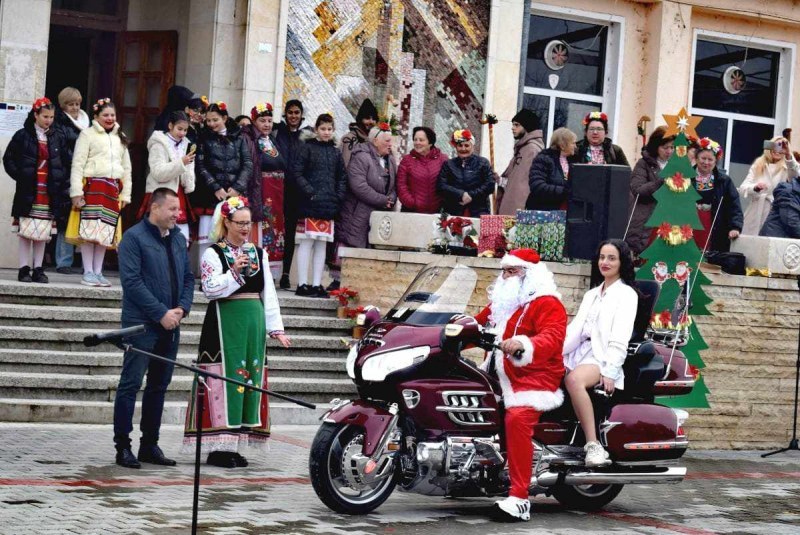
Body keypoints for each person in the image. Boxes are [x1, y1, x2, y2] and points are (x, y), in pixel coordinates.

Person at [183, 197, 290, 468]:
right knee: (226, 377)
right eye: (240, 223)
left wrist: (275, 327)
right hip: (224, 324)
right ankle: (218, 446)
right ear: (226, 223)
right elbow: (209, 289)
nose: (245, 228)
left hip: (252, 322)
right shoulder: (213, 253)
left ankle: (236, 442)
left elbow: (268, 292)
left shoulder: (259, 253)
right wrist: (234, 274)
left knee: (249, 377)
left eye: (248, 223)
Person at [473, 248, 567, 522]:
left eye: (512, 271)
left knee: (517, 418)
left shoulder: (547, 303)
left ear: (529, 274)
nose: (505, 277)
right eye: (504, 271)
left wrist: (524, 344)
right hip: (498, 375)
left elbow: (552, 337)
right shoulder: (504, 303)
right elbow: (476, 324)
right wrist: (445, 328)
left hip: (534, 377)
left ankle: (519, 498)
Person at [114, 188, 195, 468]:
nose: (177, 214)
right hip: (140, 325)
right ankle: (123, 446)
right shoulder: (133, 239)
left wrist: (181, 309)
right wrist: (160, 313)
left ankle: (150, 444)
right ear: (155, 208)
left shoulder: (178, 238)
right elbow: (132, 283)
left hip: (171, 323)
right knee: (130, 384)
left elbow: (187, 277)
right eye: (172, 209)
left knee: (159, 385)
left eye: (178, 209)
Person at [562, 239, 638, 468]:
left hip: (601, 356)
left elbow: (620, 337)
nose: (604, 262)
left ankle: (594, 445)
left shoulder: (626, 294)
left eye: (611, 258)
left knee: (574, 380)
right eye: (602, 257)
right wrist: (549, 351)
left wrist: (610, 371)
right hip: (578, 352)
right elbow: (575, 329)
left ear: (622, 262)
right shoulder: (592, 294)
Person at [3, 97, 70, 283]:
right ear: (36, 115)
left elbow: (66, 161)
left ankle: (38, 268)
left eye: (51, 117)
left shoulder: (58, 136)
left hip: (49, 191)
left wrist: (59, 179)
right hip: (29, 190)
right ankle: (24, 268)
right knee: (25, 231)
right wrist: (21, 176)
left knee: (43, 232)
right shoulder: (22, 135)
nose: (49, 120)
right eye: (45, 116)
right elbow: (8, 159)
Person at [69, 98, 132, 287]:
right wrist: (76, 192)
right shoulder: (87, 135)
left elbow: (126, 168)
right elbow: (78, 163)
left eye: (112, 115)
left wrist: (126, 194)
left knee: (105, 232)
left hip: (112, 188)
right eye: (105, 115)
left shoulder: (120, 137)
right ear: (96, 116)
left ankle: (98, 271)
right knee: (90, 230)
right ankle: (87, 271)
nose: (110, 118)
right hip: (93, 186)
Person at [291, 114, 348, 297]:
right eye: (323, 129)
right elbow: (297, 173)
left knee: (322, 244)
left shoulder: (335, 152)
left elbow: (342, 177)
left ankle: (316, 284)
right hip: (310, 203)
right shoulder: (307, 148)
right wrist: (310, 192)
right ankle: (302, 284)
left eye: (329, 129)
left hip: (328, 205)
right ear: (316, 129)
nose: (326, 132)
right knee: (306, 242)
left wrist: (337, 196)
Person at [192, 101, 253, 252]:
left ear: (224, 118)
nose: (211, 124)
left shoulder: (239, 137)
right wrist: (215, 187)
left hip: (234, 195)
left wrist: (238, 187)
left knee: (233, 237)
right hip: (210, 195)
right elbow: (200, 165)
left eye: (215, 120)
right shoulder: (203, 138)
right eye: (208, 120)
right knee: (208, 239)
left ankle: (232, 273)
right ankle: (207, 271)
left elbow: (247, 164)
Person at [242, 102, 288, 280]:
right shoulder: (250, 140)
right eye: (263, 120)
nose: (267, 124)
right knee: (260, 227)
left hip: (276, 193)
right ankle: (254, 269)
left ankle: (268, 272)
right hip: (261, 190)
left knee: (274, 228)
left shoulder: (272, 140)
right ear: (254, 121)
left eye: (270, 120)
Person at [139, 111, 196, 244]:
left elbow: (187, 171)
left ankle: (176, 264)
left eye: (185, 130)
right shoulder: (159, 144)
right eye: (179, 129)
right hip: (162, 192)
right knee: (159, 235)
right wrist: (181, 163)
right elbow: (158, 172)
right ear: (170, 125)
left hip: (179, 193)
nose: (182, 133)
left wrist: (188, 179)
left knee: (181, 238)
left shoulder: (186, 144)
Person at [337, 123, 397, 249]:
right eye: (387, 141)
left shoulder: (390, 160)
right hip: (358, 215)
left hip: (380, 215)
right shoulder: (360, 156)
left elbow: (393, 185)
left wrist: (391, 198)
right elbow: (359, 186)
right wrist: (383, 200)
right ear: (375, 141)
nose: (390, 144)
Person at [274, 99, 313, 290]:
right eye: (290, 112)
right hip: (275, 188)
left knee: (289, 234)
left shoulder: (307, 135)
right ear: (285, 113)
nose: (293, 116)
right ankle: (269, 272)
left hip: (295, 191)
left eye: (297, 113)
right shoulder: (276, 132)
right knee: (272, 231)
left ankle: (286, 273)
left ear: (301, 114)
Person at [53, 86, 90, 274]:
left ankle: (87, 264)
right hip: (66, 176)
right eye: (70, 104)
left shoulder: (87, 121)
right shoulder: (59, 124)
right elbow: (60, 150)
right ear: (63, 106)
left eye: (77, 104)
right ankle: (64, 261)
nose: (75, 108)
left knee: (83, 219)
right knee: (65, 220)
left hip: (84, 176)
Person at [626, 126, 675, 256]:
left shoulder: (677, 165)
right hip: (646, 220)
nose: (669, 151)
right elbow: (637, 189)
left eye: (672, 147)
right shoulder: (643, 164)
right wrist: (661, 181)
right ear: (656, 146)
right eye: (665, 147)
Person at [738, 136, 798, 235]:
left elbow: (796, 176)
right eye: (775, 146)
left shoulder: (788, 166)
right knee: (748, 244)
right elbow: (742, 188)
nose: (777, 150)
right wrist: (755, 188)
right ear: (769, 147)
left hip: (775, 215)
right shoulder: (758, 165)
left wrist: (788, 154)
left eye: (781, 147)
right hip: (755, 212)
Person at [692, 138, 743, 252]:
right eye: (703, 158)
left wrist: (735, 227)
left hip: (713, 225)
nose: (706, 162)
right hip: (690, 223)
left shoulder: (724, 181)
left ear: (716, 161)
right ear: (696, 158)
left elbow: (734, 204)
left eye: (710, 159)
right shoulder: (686, 177)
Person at [437, 129, 494, 216]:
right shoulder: (448, 164)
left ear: (472, 146)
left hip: (479, 211)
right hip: (453, 210)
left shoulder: (483, 162)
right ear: (456, 147)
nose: (463, 149)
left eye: (467, 145)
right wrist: (461, 194)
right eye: (460, 145)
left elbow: (490, 185)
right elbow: (441, 186)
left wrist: (471, 195)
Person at [497, 109, 544, 216]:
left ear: (526, 126)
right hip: (513, 206)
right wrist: (499, 179)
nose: (512, 128)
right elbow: (514, 180)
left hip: (519, 210)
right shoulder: (523, 148)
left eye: (517, 125)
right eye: (513, 124)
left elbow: (524, 185)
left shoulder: (531, 150)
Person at [526, 127, 577, 211]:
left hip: (565, 211)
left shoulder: (573, 161)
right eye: (573, 143)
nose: (575, 146)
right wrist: (565, 191)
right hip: (544, 211)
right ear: (562, 145)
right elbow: (537, 186)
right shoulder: (543, 159)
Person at [396, 126, 444, 214]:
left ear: (430, 143)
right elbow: (401, 185)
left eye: (421, 140)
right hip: (411, 211)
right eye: (415, 139)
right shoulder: (407, 160)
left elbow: (447, 183)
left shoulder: (442, 159)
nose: (417, 143)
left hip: (437, 213)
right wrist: (413, 203)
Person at [341, 98, 378, 167]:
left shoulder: (374, 140)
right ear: (360, 119)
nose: (371, 122)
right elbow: (344, 165)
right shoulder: (350, 138)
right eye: (367, 118)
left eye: (374, 119)